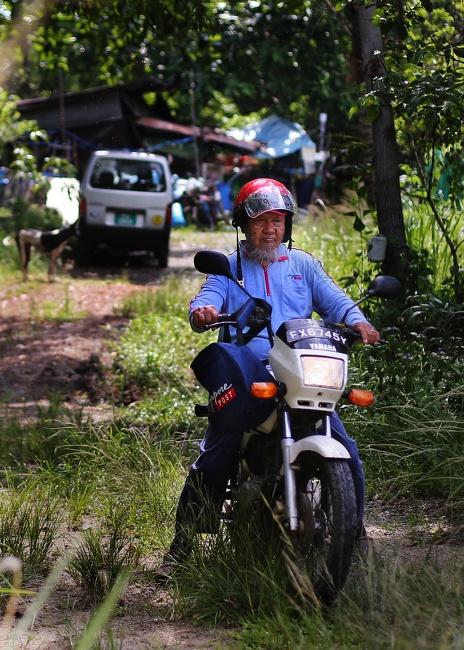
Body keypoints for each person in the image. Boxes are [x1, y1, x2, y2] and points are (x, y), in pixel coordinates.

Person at [159, 178, 379, 576]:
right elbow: (207, 298)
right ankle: (183, 545)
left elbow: (336, 300)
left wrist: (358, 321)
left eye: (278, 220)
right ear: (244, 224)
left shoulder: (304, 265)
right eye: (261, 220)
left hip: (299, 368)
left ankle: (353, 533)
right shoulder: (229, 266)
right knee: (219, 450)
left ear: (287, 225)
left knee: (345, 447)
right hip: (249, 374)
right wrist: (204, 312)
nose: (270, 228)